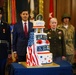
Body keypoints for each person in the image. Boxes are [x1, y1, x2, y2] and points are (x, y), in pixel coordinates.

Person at [0, 7, 11, 75]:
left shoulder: (6, 25)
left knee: (2, 68)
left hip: (3, 50)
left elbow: (8, 38)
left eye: (0, 14)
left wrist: (9, 51)